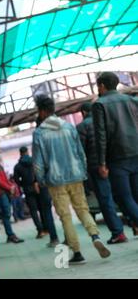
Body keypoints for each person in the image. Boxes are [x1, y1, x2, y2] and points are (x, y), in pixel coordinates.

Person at [32, 95, 110, 265]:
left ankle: (77, 252)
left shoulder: (39, 133)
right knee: (83, 209)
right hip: (75, 175)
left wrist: (41, 180)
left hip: (55, 179)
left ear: (43, 111)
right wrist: (82, 173)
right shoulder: (68, 127)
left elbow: (37, 162)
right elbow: (80, 153)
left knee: (65, 216)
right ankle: (95, 236)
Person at [92, 72, 138, 238]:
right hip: (136, 152)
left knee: (123, 198)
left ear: (102, 86)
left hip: (117, 157)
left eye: (98, 86)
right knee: (135, 196)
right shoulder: (131, 100)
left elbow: (101, 135)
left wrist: (102, 162)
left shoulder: (99, 105)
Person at [77, 102, 127, 244]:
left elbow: (80, 152)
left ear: (83, 112)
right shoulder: (106, 120)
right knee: (123, 195)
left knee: (106, 201)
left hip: (97, 168)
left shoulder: (82, 127)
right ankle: (132, 223)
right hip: (115, 163)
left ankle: (118, 233)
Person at [14, 146, 59, 247]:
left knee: (33, 211)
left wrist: (23, 184)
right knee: (43, 209)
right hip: (38, 188)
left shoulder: (17, 166)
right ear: (27, 152)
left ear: (20, 153)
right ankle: (47, 228)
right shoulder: (34, 161)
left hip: (28, 190)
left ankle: (40, 230)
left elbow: (16, 180)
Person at [0, 147, 24, 243]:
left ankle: (10, 235)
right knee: (6, 213)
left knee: (7, 214)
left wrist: (11, 186)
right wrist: (9, 187)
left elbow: (4, 179)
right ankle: (10, 234)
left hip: (5, 192)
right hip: (1, 193)